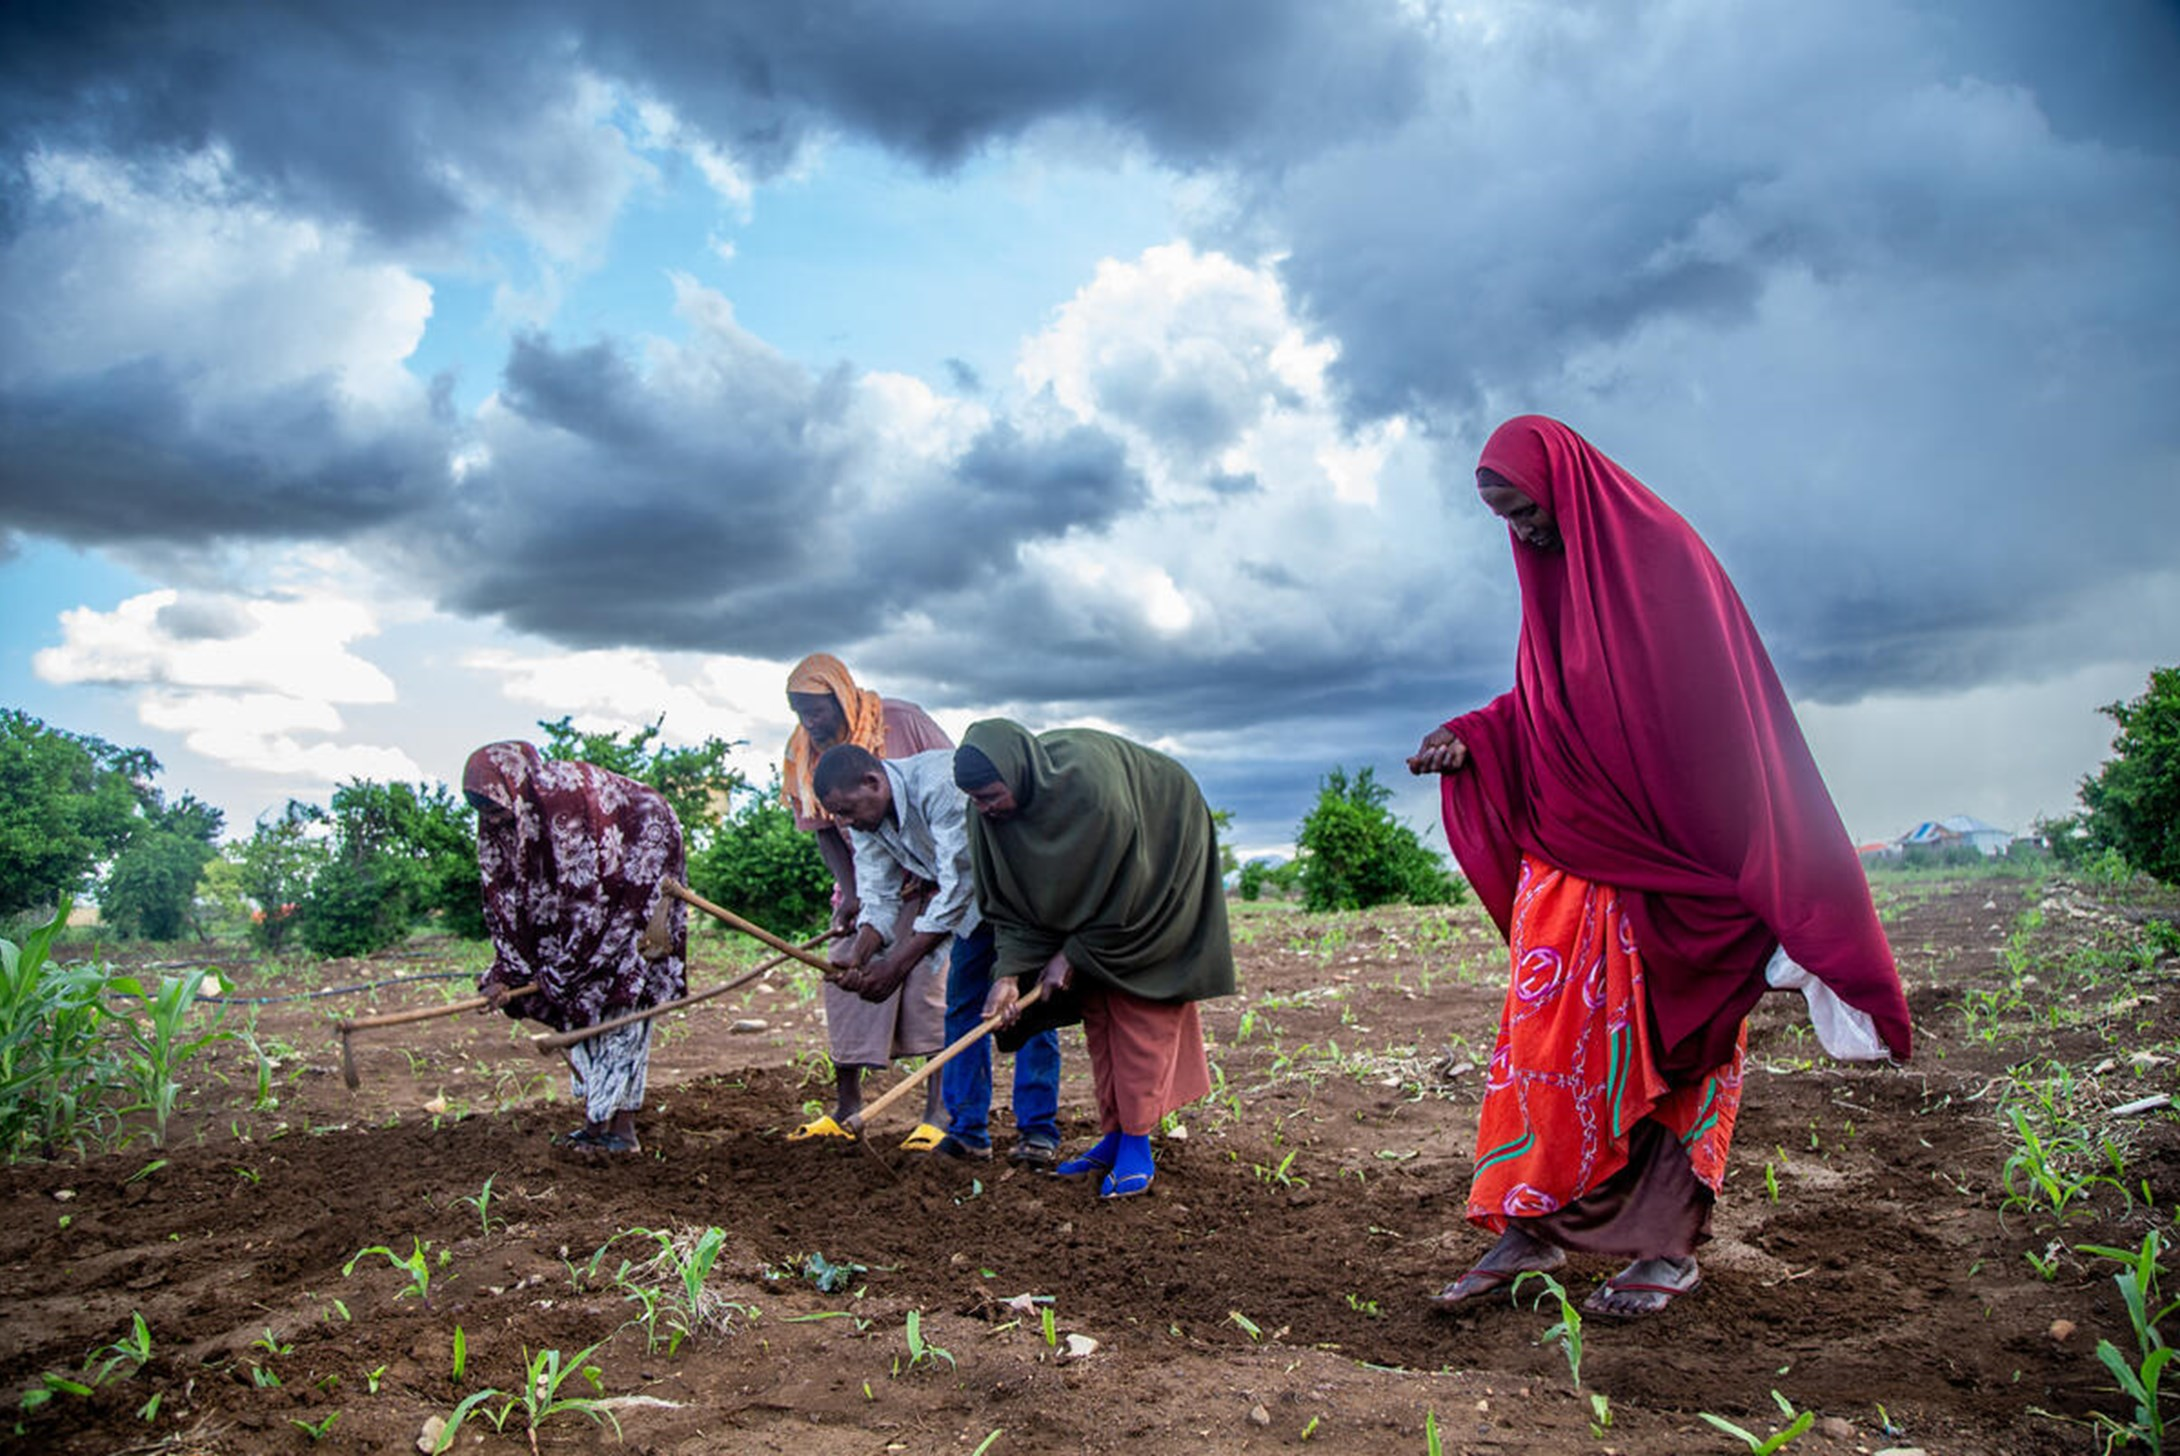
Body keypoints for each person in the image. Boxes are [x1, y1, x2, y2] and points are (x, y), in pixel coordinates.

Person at [1410, 415, 1912, 1316]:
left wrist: (1735, 863)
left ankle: (1664, 1253)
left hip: (1670, 876)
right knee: (1544, 1058)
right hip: (1567, 874)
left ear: (1566, 489)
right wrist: (1473, 736)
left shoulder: (1663, 558)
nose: (1522, 534)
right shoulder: (1557, 578)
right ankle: (1529, 1230)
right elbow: (1552, 706)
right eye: (1505, 520)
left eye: (1527, 511)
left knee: (1670, 1065)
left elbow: (1721, 713)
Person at [955, 719, 1236, 1198]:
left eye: (991, 796)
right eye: (977, 799)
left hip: (1161, 861)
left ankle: (1137, 1144)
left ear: (1019, 772)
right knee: (1097, 1007)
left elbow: (1129, 886)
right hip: (1104, 901)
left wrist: (1072, 953)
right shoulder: (986, 817)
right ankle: (1114, 1135)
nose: (985, 808)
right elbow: (1009, 901)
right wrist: (1008, 974)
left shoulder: (1091, 795)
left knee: (1137, 1005)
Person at [815, 742, 1062, 1166]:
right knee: (962, 1011)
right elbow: (877, 895)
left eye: (847, 810)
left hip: (1020, 900)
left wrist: (896, 965)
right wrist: (858, 960)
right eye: (838, 814)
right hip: (971, 914)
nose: (844, 822)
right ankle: (967, 1133)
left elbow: (959, 882)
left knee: (1031, 1010)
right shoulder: (866, 821)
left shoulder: (939, 783)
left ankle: (1037, 1130)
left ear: (873, 783)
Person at [464, 740, 686, 1156]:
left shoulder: (563, 799)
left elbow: (592, 894)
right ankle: (601, 1123)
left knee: (623, 1008)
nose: (493, 821)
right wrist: (506, 973)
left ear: (515, 789)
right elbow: (508, 901)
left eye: (496, 808)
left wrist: (568, 968)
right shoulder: (507, 824)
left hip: (630, 898)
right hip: (578, 929)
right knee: (581, 1009)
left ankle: (616, 1129)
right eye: (485, 813)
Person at [780, 654, 953, 1143]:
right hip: (874, 880)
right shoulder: (803, 753)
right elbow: (830, 832)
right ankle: (846, 1109)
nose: (809, 722)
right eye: (799, 711)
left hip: (940, 880)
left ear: (841, 695)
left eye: (816, 710)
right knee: (844, 976)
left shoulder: (904, 723)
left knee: (930, 989)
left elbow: (958, 789)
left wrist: (899, 957)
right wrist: (853, 901)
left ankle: (938, 1115)